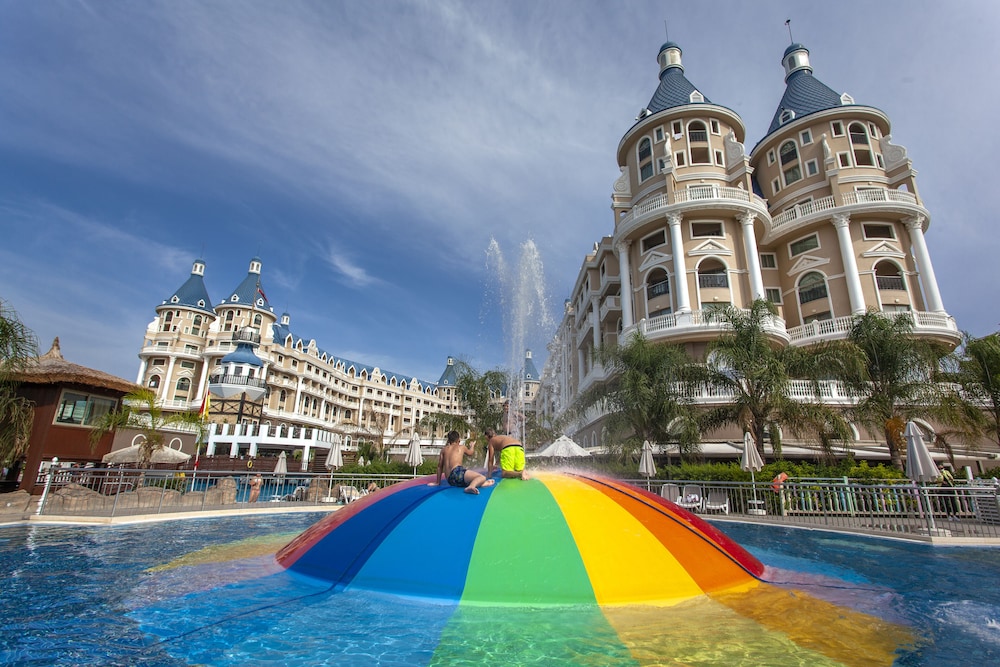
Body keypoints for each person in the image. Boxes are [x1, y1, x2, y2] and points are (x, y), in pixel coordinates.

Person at [429, 430, 494, 494]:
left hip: (450, 480)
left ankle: (481, 484)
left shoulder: (443, 450)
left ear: (448, 440)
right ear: (458, 440)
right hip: (457, 472)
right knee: (482, 477)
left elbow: (439, 467)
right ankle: (471, 486)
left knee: (466, 479)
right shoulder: (461, 447)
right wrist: (472, 446)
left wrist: (437, 482)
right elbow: (470, 453)